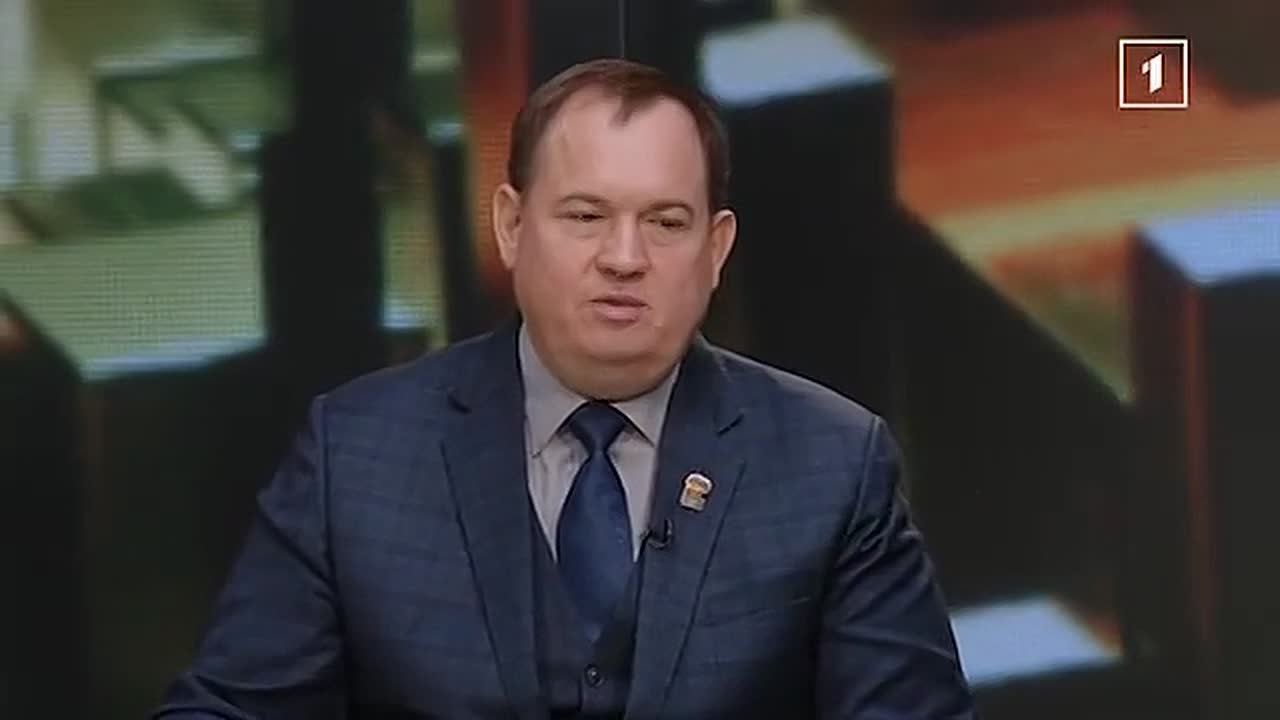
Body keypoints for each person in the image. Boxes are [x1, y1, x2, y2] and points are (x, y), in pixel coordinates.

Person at [154, 58, 974, 719]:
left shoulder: (833, 464)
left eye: (666, 222)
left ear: (716, 249)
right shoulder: (358, 453)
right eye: (585, 216)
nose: (624, 257)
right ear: (512, 226)